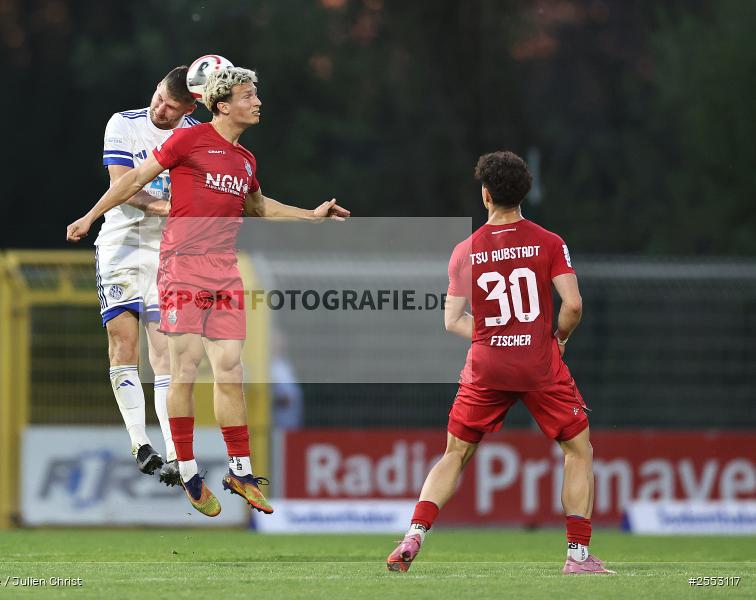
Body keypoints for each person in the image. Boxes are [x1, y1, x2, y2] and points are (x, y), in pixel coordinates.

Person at [67, 67, 349, 517]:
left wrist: (309, 215)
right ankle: (190, 470)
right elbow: (133, 180)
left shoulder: (245, 160)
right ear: (222, 105)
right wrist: (89, 216)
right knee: (184, 368)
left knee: (231, 369)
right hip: (181, 267)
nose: (257, 102)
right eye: (248, 95)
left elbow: (258, 206)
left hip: (224, 273)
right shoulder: (185, 140)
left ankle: (239, 470)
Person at [386, 151, 613, 575]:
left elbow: (452, 320)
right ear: (523, 193)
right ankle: (578, 556)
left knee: (455, 453)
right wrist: (558, 338)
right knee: (578, 451)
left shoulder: (464, 251)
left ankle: (414, 533)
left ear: (486, 195)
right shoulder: (549, 241)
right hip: (538, 362)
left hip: (486, 365)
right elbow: (574, 305)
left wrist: (494, 333)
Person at [82, 66, 198, 486]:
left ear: (191, 107)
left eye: (172, 106)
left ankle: (173, 454)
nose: (160, 109)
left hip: (168, 253)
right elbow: (125, 187)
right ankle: (140, 443)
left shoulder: (196, 136)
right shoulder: (124, 124)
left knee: (165, 353)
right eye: (159, 98)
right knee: (122, 342)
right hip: (120, 245)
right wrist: (174, 208)